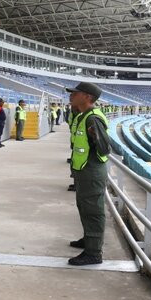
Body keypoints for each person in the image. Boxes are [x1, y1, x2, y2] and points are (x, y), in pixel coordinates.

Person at [65, 82, 111, 265]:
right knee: (84, 207)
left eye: (75, 93)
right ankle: (89, 239)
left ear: (87, 97)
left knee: (93, 211)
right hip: (83, 170)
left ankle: (93, 252)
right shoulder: (83, 115)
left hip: (91, 171)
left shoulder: (93, 118)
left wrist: (95, 137)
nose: (71, 96)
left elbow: (105, 147)